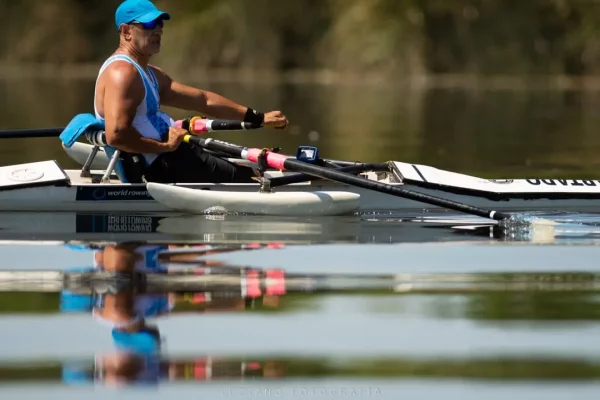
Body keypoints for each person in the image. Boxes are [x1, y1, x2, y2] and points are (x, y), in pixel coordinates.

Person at [95, 0, 289, 183]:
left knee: (248, 167)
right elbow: (117, 134)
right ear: (126, 31)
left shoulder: (149, 73)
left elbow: (203, 100)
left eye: (160, 23)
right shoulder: (122, 73)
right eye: (149, 24)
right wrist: (165, 146)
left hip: (174, 154)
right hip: (160, 165)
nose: (157, 30)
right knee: (251, 177)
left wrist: (258, 118)